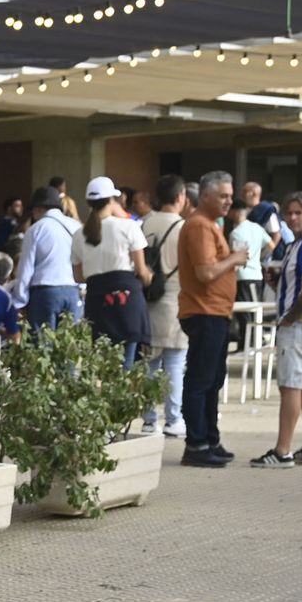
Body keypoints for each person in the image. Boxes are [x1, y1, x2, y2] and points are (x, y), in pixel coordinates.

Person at [252, 192, 302, 469]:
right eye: (289, 213)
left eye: (299, 213)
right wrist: (279, 285)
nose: (293, 218)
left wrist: (291, 316)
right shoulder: (300, 244)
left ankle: (282, 450)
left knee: (290, 386)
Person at [177, 171, 248, 470]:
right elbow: (206, 272)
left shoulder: (212, 226)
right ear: (205, 196)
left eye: (230, 196)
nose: (229, 201)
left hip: (216, 311)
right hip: (203, 311)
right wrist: (235, 258)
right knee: (201, 379)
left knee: (213, 379)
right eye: (223, 196)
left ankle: (210, 439)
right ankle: (196, 444)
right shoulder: (199, 226)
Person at [73, 177, 152, 366]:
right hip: (126, 299)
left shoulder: (79, 234)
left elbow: (78, 276)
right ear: (112, 200)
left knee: (102, 363)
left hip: (97, 299)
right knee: (128, 361)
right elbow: (142, 271)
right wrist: (150, 277)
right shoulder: (129, 226)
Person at [140, 175, 188, 436]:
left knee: (149, 364)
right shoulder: (184, 228)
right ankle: (173, 419)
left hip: (147, 301)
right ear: (180, 196)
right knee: (174, 364)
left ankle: (149, 420)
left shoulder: (143, 224)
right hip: (175, 300)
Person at [11, 185, 82, 332]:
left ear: (38, 209)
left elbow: (26, 268)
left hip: (45, 294)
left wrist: (19, 301)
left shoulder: (35, 229)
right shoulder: (76, 227)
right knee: (70, 347)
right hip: (72, 292)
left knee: (43, 347)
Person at [227, 202, 270, 351]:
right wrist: (259, 258)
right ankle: (252, 341)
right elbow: (270, 245)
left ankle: (247, 344)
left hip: (243, 275)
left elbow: (237, 259)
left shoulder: (236, 233)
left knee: (245, 312)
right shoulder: (257, 228)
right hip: (257, 274)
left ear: (236, 212)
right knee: (254, 310)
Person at [241, 181, 285, 259]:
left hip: (264, 258)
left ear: (254, 193)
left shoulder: (266, 211)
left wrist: (263, 255)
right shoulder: (245, 211)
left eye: (245, 191)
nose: (242, 195)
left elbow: (276, 234)